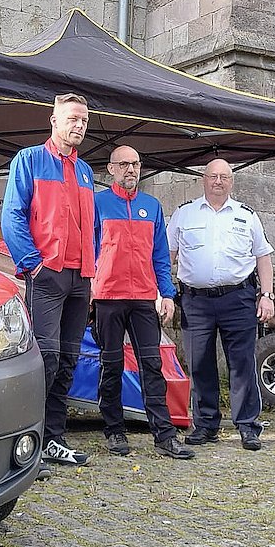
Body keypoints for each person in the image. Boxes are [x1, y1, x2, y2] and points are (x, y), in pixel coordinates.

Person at [2, 93, 96, 472]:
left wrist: (92, 269)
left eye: (84, 120)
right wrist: (34, 266)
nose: (79, 125)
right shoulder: (29, 160)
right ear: (54, 121)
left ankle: (54, 439)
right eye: (72, 118)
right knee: (47, 360)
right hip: (48, 274)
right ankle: (30, 443)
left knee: (69, 360)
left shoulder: (85, 171)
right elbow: (12, 216)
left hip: (80, 277)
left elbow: (93, 227)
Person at [91, 146, 194, 460]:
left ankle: (164, 436)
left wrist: (167, 294)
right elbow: (89, 250)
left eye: (135, 164)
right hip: (108, 297)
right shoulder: (97, 203)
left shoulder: (152, 206)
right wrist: (89, 292)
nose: (131, 170)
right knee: (111, 365)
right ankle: (114, 430)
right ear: (111, 169)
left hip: (144, 298)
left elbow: (160, 255)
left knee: (152, 366)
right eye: (124, 164)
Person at [167, 158, 275, 451]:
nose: (218, 181)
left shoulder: (246, 216)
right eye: (213, 176)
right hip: (196, 301)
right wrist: (162, 292)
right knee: (199, 363)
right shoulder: (184, 214)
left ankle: (247, 426)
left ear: (231, 182)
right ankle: (205, 425)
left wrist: (267, 296)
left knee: (242, 364)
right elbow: (167, 256)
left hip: (237, 299)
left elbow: (263, 258)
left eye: (224, 177)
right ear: (203, 179)